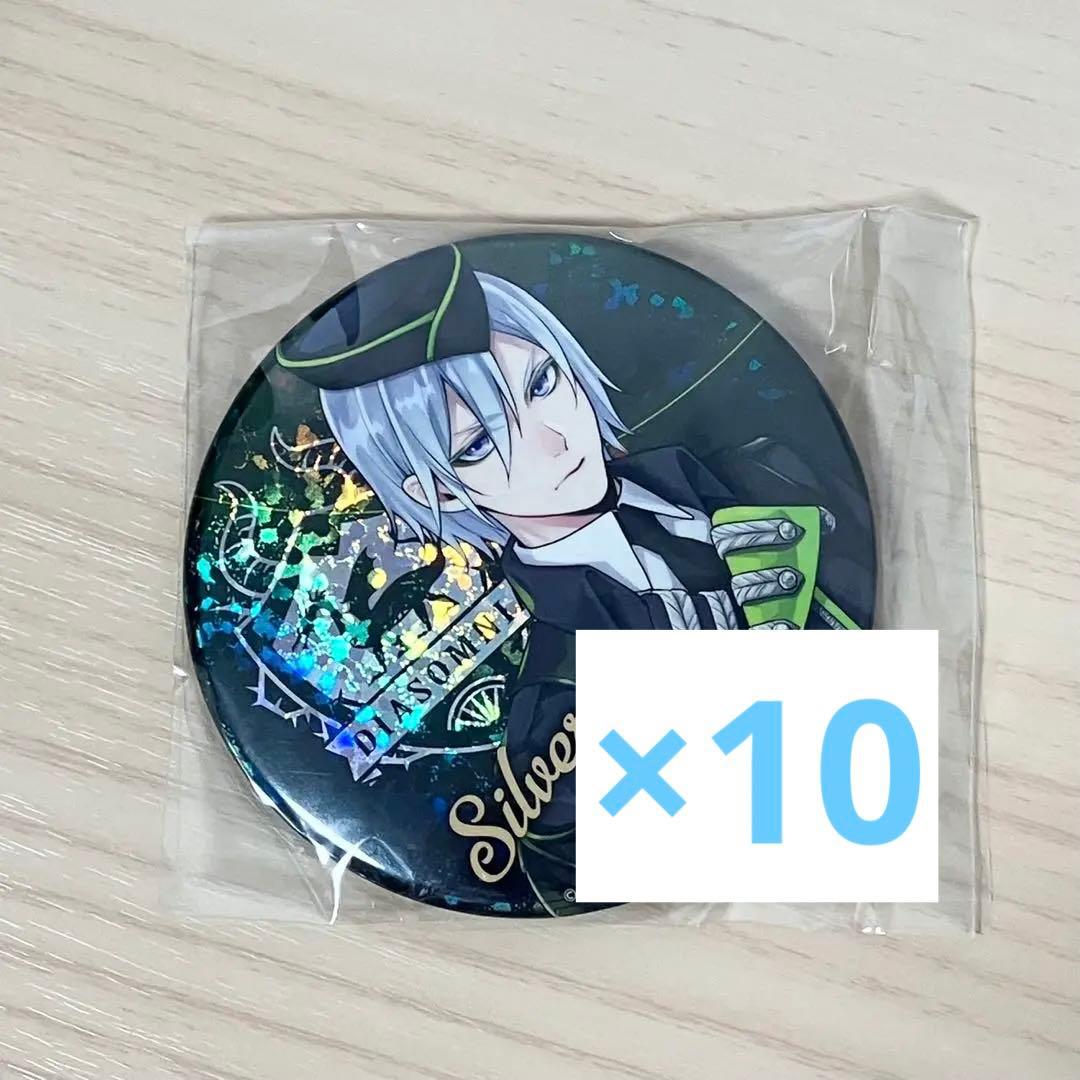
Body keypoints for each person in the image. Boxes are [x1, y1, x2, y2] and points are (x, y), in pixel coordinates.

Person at [277, 243, 862, 914]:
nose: (553, 440)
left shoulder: (771, 473)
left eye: (541, 383)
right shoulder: (555, 702)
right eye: (479, 444)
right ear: (433, 491)